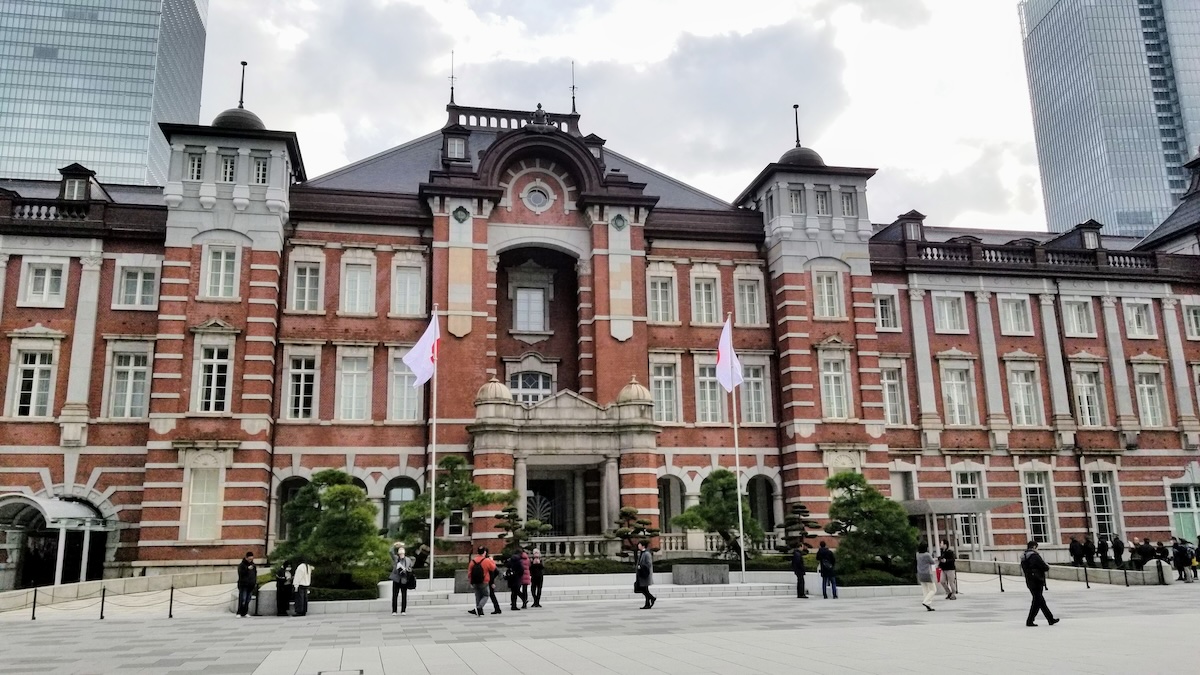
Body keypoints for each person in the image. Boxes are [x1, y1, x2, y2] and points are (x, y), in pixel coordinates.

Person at [1020, 540, 1059, 627]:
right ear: (1034, 547)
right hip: (1037, 580)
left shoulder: (1024, 556)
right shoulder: (1035, 556)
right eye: (1037, 547)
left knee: (1040, 601)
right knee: (1037, 601)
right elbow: (1045, 567)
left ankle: (1050, 619)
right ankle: (1030, 620)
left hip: (1029, 581)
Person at [466, 546, 497, 618]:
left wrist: (470, 582)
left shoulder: (473, 561)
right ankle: (479, 607)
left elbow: (469, 573)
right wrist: (492, 560)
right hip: (484, 581)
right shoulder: (486, 560)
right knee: (486, 595)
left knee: (478, 596)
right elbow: (493, 568)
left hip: (474, 581)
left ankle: (478, 611)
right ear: (484, 552)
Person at [389, 542, 413, 615]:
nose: (401, 555)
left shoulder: (408, 560)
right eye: (400, 554)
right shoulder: (396, 559)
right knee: (395, 595)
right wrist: (394, 545)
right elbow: (390, 552)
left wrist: (406, 570)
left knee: (404, 595)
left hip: (404, 579)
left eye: (402, 554)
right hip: (396, 579)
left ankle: (403, 610)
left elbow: (410, 568)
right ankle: (394, 610)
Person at [916, 541, 937, 612]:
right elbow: (932, 562)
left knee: (925, 590)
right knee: (933, 589)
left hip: (920, 574)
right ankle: (926, 602)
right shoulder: (927, 555)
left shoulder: (918, 554)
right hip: (927, 574)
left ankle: (928, 605)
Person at [635, 540, 656, 609]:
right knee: (645, 589)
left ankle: (652, 598)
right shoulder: (641, 553)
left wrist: (641, 566)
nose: (638, 545)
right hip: (641, 574)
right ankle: (647, 603)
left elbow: (649, 564)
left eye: (639, 544)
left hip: (645, 574)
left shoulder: (647, 554)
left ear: (643, 546)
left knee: (644, 589)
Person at [236, 551, 257, 618]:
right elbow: (241, 574)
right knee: (243, 599)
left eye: (252, 559)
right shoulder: (242, 565)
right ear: (246, 558)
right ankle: (239, 612)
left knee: (248, 599)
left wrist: (254, 582)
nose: (250, 560)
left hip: (250, 585)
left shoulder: (253, 565)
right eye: (249, 559)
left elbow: (254, 574)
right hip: (243, 585)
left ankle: (245, 612)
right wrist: (247, 569)